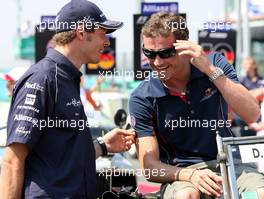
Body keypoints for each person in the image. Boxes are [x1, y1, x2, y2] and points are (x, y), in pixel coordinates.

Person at [0, 0, 135, 198]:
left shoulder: (67, 78)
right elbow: (12, 161)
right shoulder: (43, 78)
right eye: (102, 33)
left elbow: (61, 155)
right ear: (81, 33)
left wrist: (103, 145)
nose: (107, 41)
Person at [129, 13, 264, 199]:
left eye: (166, 53)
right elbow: (150, 167)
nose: (157, 62)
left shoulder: (214, 63)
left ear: (185, 46)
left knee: (259, 194)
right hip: (182, 174)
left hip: (229, 164)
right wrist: (190, 175)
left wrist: (209, 70)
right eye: (150, 54)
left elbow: (252, 114)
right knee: (187, 196)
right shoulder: (142, 97)